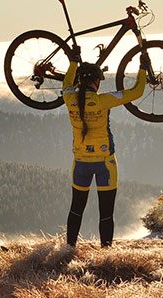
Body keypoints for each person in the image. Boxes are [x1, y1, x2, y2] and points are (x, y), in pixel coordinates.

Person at [58, 47, 148, 248]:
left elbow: (66, 82)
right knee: (106, 213)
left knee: (76, 209)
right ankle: (106, 253)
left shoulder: (69, 97)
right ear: (96, 82)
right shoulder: (102, 100)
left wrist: (73, 61)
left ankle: (68, 250)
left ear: (80, 81)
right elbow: (137, 92)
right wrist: (142, 68)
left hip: (80, 163)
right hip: (105, 163)